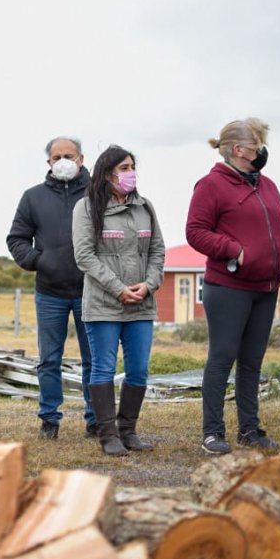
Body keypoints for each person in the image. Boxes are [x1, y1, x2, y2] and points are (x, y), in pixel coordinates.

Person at [186, 118, 280, 455]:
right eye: (257, 144)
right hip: (229, 286)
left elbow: (277, 228)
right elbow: (196, 231)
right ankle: (212, 432)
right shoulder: (211, 185)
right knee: (222, 358)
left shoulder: (268, 185)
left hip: (266, 287)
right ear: (238, 149)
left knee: (252, 361)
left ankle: (250, 429)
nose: (262, 150)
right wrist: (234, 250)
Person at [72, 145, 165, 457]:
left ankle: (129, 430)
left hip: (141, 303)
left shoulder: (145, 207)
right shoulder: (86, 209)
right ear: (107, 173)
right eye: (124, 168)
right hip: (103, 304)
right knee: (103, 367)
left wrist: (149, 284)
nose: (130, 173)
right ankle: (108, 434)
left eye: (132, 166)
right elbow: (85, 256)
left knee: (138, 369)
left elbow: (157, 251)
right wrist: (117, 288)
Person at [7, 137, 96, 439]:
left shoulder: (100, 194)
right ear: (48, 162)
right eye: (56, 157)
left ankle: (95, 419)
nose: (63, 161)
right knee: (49, 359)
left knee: (94, 358)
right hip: (49, 292)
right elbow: (17, 238)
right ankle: (49, 419)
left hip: (92, 291)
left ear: (81, 158)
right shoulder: (32, 197)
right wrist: (39, 261)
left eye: (68, 155)